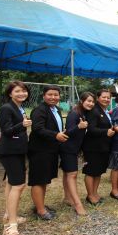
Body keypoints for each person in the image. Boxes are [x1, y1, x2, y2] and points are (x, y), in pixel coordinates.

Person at [0, 81, 32, 235]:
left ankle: (9, 214)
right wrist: (22, 124)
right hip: (9, 151)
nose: (21, 93)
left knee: (12, 183)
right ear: (10, 93)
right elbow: (6, 131)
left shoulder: (19, 107)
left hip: (18, 150)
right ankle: (11, 226)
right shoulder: (6, 108)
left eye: (24, 91)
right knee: (19, 184)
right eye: (17, 91)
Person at [28, 85, 68, 220]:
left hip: (50, 150)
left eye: (56, 95)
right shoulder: (39, 110)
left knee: (44, 179)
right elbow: (37, 128)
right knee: (38, 180)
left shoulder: (56, 109)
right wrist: (55, 135)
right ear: (44, 96)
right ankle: (40, 211)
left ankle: (40, 205)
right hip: (40, 150)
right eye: (50, 94)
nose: (53, 97)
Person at [59, 92, 95, 215]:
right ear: (82, 101)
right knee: (72, 174)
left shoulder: (84, 113)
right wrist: (79, 127)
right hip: (67, 148)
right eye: (88, 101)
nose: (90, 103)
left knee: (67, 173)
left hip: (75, 149)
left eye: (92, 101)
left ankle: (67, 198)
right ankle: (77, 204)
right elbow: (67, 132)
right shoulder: (74, 114)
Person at [82, 89, 115, 205]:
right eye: (104, 97)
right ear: (98, 97)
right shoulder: (94, 110)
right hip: (93, 147)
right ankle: (90, 196)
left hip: (103, 146)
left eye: (108, 98)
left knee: (98, 171)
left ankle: (95, 193)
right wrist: (106, 132)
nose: (106, 99)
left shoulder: (104, 111)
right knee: (91, 171)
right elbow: (91, 129)